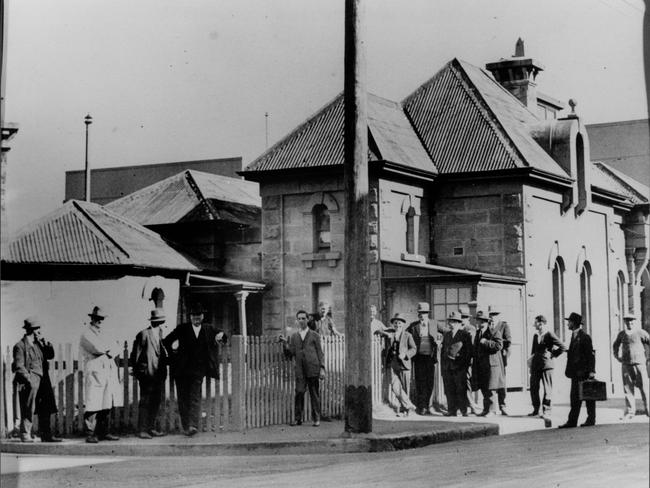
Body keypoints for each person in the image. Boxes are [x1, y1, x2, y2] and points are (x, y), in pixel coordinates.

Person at [163, 303, 226, 436]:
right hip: (181, 370)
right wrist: (174, 348)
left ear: (202, 316)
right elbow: (166, 342)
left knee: (195, 397)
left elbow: (222, 336)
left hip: (198, 371)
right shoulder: (181, 329)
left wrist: (221, 335)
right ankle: (186, 426)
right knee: (183, 399)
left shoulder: (208, 329)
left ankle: (193, 425)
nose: (196, 318)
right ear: (190, 317)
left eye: (198, 315)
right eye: (193, 315)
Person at [79, 306, 122, 443]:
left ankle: (104, 432)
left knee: (107, 401)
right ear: (92, 318)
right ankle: (91, 433)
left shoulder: (106, 333)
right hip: (95, 371)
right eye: (97, 318)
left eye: (102, 319)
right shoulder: (87, 334)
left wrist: (110, 348)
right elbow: (97, 348)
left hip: (107, 370)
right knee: (93, 402)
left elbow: (117, 347)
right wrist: (109, 348)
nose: (100, 321)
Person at [280, 310, 325, 426]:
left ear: (307, 319)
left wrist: (322, 368)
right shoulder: (294, 336)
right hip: (300, 370)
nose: (301, 321)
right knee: (299, 392)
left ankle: (316, 419)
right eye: (299, 319)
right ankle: (298, 418)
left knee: (314, 394)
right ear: (297, 320)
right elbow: (291, 353)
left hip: (313, 368)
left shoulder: (315, 335)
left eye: (303, 318)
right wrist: (285, 344)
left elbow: (320, 353)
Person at [130, 308, 169, 439]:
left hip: (158, 375)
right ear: (152, 321)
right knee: (145, 402)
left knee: (155, 402)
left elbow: (161, 353)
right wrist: (140, 372)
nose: (158, 323)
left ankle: (150, 428)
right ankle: (142, 430)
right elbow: (136, 355)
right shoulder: (143, 334)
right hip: (147, 375)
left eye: (160, 321)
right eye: (156, 321)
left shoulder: (160, 333)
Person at [559, 312, 596, 428]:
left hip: (584, 372)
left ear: (574, 323)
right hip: (575, 373)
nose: (567, 324)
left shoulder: (584, 337)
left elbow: (590, 355)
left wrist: (591, 371)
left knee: (588, 396)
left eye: (569, 322)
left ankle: (591, 419)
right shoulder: (574, 336)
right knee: (575, 397)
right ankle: (572, 421)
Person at [407, 302, 444, 415]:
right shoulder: (413, 326)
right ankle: (422, 407)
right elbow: (404, 334)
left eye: (425, 313)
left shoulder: (434, 323)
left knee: (429, 382)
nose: (422, 315)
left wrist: (440, 340)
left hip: (430, 357)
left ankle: (429, 405)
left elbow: (446, 332)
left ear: (428, 314)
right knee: (420, 382)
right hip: (418, 358)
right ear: (418, 314)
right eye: (421, 313)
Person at [12, 317, 46, 442]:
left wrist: (45, 342)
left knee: (37, 407)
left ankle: (32, 433)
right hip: (29, 381)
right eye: (38, 329)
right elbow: (18, 366)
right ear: (32, 330)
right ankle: (25, 433)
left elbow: (49, 355)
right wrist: (29, 379)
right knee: (28, 407)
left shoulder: (37, 345)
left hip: (39, 379)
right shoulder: (20, 346)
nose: (40, 332)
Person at [612, 313, 650, 419]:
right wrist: (617, 356)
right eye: (627, 321)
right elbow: (615, 345)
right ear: (625, 322)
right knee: (628, 388)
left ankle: (648, 410)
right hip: (626, 364)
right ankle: (630, 412)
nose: (630, 323)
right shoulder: (622, 334)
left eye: (632, 320)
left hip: (639, 364)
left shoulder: (641, 332)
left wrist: (648, 357)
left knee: (644, 388)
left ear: (635, 321)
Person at [528, 315, 566, 418]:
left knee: (547, 389)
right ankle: (536, 409)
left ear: (541, 324)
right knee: (533, 387)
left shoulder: (549, 334)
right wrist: (530, 362)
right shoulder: (535, 336)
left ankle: (546, 410)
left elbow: (563, 347)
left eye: (536, 323)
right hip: (536, 366)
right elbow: (533, 351)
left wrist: (553, 354)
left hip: (547, 365)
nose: (534, 325)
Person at [471, 310, 504, 417]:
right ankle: (486, 409)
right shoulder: (478, 333)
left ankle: (492, 410)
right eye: (478, 321)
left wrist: (486, 342)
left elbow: (499, 346)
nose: (479, 324)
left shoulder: (494, 332)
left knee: (491, 389)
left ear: (486, 322)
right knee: (484, 387)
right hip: (481, 365)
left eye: (482, 322)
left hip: (491, 365)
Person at [441, 311, 473, 417]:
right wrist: (443, 367)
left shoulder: (464, 335)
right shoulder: (447, 335)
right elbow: (443, 352)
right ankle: (452, 410)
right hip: (448, 367)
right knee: (449, 389)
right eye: (450, 321)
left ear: (459, 323)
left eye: (454, 322)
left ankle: (463, 410)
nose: (452, 324)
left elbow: (468, 352)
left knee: (460, 389)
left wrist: (463, 365)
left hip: (459, 367)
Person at [385, 313, 417, 417]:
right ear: (393, 324)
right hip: (393, 364)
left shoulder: (408, 335)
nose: (397, 325)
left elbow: (414, 349)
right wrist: (386, 334)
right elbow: (378, 330)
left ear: (403, 324)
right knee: (395, 387)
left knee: (405, 387)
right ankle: (408, 405)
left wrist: (406, 354)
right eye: (395, 323)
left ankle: (405, 410)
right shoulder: (390, 334)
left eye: (399, 323)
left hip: (404, 365)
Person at [488, 307, 511, 415]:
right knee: (491, 381)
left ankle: (503, 405)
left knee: (501, 381)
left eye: (495, 314)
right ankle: (492, 407)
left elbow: (508, 340)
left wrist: (498, 342)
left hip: (501, 356)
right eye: (491, 315)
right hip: (491, 356)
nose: (493, 317)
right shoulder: (488, 326)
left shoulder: (503, 325)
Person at [459, 308, 481, 415]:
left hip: (467, 361)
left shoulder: (470, 329)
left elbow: (471, 346)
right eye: (461, 317)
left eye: (464, 317)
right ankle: (465, 406)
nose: (463, 320)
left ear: (468, 318)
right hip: (459, 361)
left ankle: (472, 405)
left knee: (466, 383)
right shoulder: (459, 329)